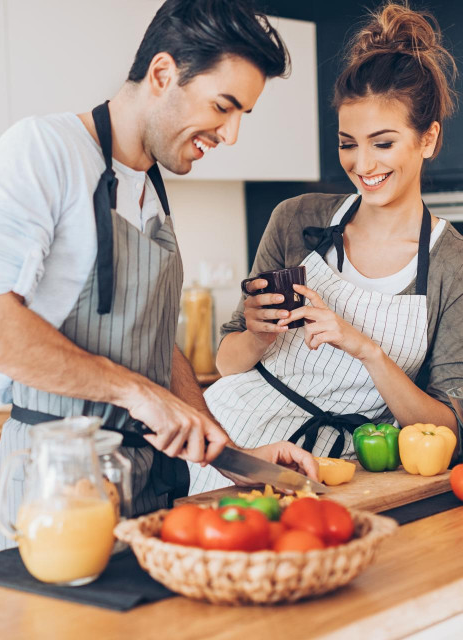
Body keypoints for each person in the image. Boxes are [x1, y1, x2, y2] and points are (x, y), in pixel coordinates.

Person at [0, 0, 319, 552]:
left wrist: (231, 455)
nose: (231, 134)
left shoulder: (150, 187)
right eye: (223, 106)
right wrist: (137, 393)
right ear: (163, 74)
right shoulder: (45, 151)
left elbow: (152, 347)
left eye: (243, 114)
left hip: (148, 487)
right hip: (60, 488)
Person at [190, 1, 463, 495]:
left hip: (340, 467)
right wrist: (256, 333)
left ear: (428, 139)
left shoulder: (451, 265)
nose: (362, 164)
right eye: (347, 143)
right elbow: (228, 362)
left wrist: (366, 349)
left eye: (382, 143)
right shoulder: (296, 219)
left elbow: (448, 432)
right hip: (231, 442)